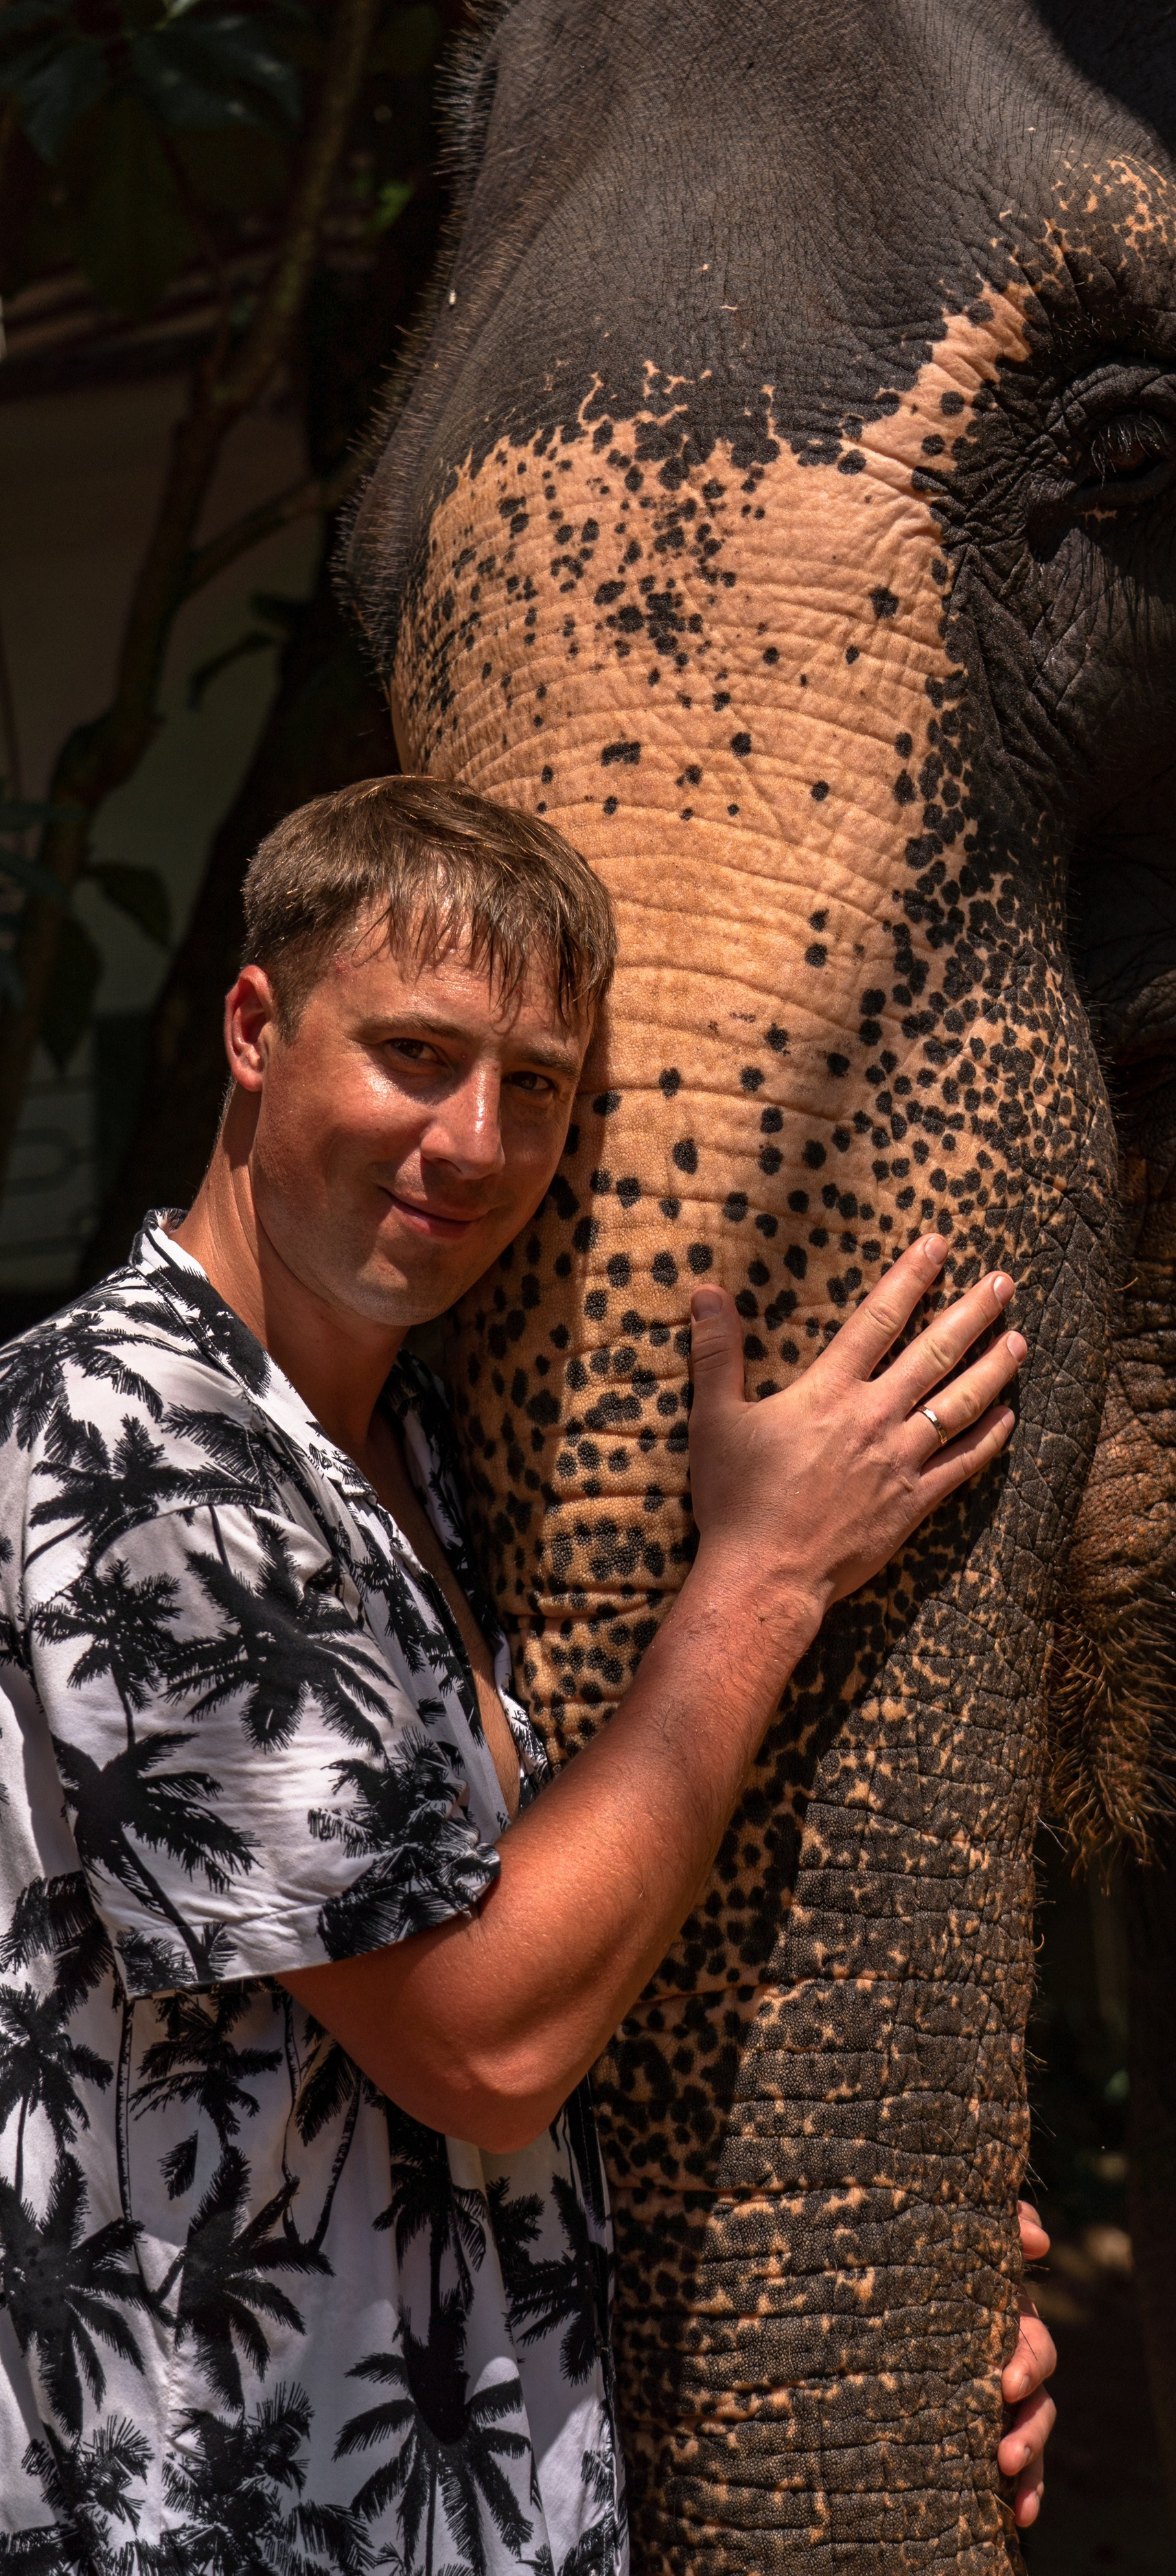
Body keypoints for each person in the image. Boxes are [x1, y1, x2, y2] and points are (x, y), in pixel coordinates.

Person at [0, 775, 1056, 2572]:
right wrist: (765, 1577)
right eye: (414, 1054)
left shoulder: (430, 1441)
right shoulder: (124, 1455)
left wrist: (897, 2240)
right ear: (257, 1029)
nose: (475, 1143)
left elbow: (578, 1936)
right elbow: (484, 2040)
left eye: (539, 1086)